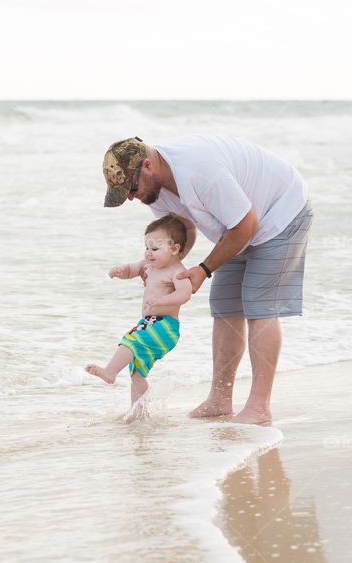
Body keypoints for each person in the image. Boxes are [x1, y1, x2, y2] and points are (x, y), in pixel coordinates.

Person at [101, 134, 312, 425]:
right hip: (235, 224)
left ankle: (259, 405)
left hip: (280, 211)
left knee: (258, 304)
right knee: (225, 305)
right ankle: (220, 399)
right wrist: (166, 272)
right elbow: (182, 231)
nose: (131, 197)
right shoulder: (157, 190)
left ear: (147, 166)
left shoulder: (198, 170)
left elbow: (246, 224)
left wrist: (203, 269)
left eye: (132, 188)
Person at [84, 215, 193, 418]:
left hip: (165, 326)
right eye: (147, 247)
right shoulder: (148, 265)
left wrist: (162, 301)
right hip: (150, 323)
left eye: (155, 249)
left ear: (175, 249)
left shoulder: (177, 272)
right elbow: (132, 269)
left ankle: (110, 372)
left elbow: (185, 294)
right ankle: (138, 413)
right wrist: (121, 271)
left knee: (131, 340)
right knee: (137, 372)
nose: (149, 253)